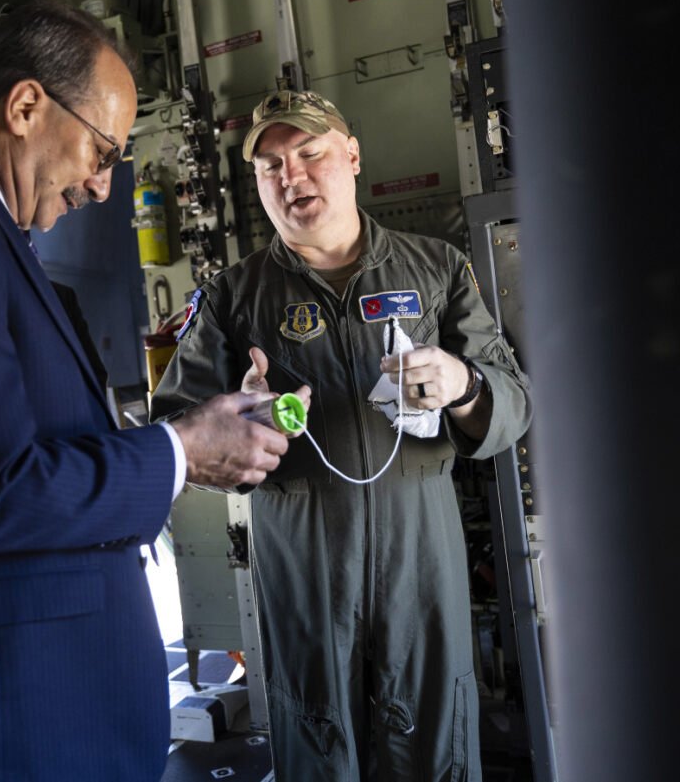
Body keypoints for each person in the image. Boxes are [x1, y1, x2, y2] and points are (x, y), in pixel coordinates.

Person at [0, 0, 292, 782]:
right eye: (102, 152)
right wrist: (179, 452)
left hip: (45, 719)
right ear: (26, 105)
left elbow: (30, 444)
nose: (104, 187)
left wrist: (187, 431)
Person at [151, 90, 532, 782]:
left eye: (308, 154)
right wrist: (235, 427)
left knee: (432, 737)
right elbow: (171, 431)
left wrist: (462, 384)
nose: (290, 176)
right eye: (269, 166)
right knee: (316, 736)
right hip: (301, 561)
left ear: (351, 156)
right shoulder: (233, 296)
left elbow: (512, 405)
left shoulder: (436, 268)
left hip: (421, 554)